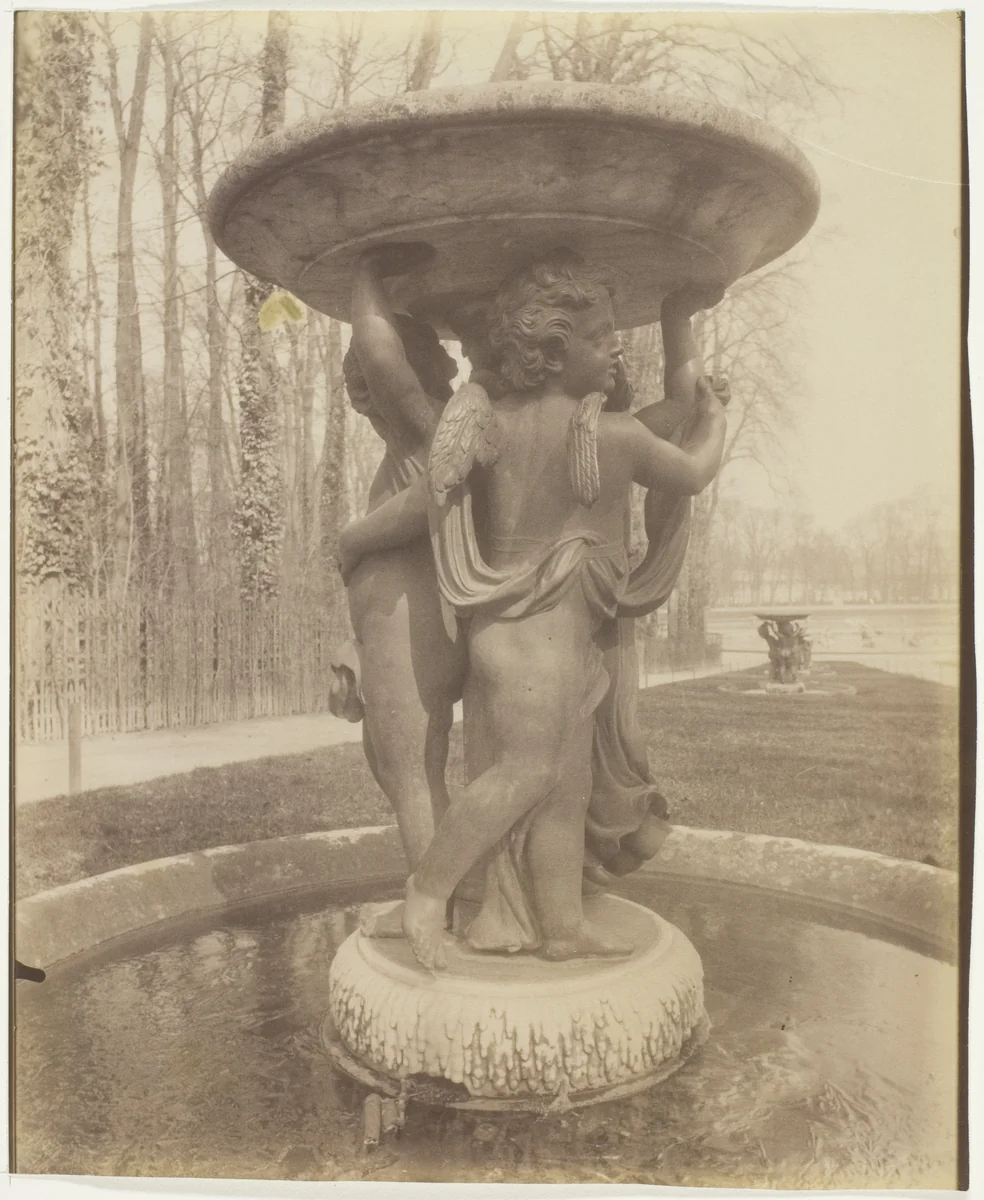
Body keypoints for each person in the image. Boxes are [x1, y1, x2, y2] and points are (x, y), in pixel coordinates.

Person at [400, 251, 728, 969]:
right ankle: (427, 892)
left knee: (565, 789)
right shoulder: (613, 437)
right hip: (535, 645)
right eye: (601, 335)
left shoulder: (500, 422)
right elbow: (695, 463)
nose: (615, 345)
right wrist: (719, 415)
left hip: (533, 640)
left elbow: (671, 406)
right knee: (523, 774)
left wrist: (680, 321)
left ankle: (562, 929)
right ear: (553, 352)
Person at [330, 245, 466, 883]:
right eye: (356, 384)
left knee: (411, 770)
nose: (361, 392)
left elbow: (426, 501)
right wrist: (351, 652)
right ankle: (440, 893)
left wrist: (364, 274)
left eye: (365, 380)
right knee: (396, 767)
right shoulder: (409, 441)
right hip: (391, 627)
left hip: (414, 623)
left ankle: (433, 911)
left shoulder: (430, 429)